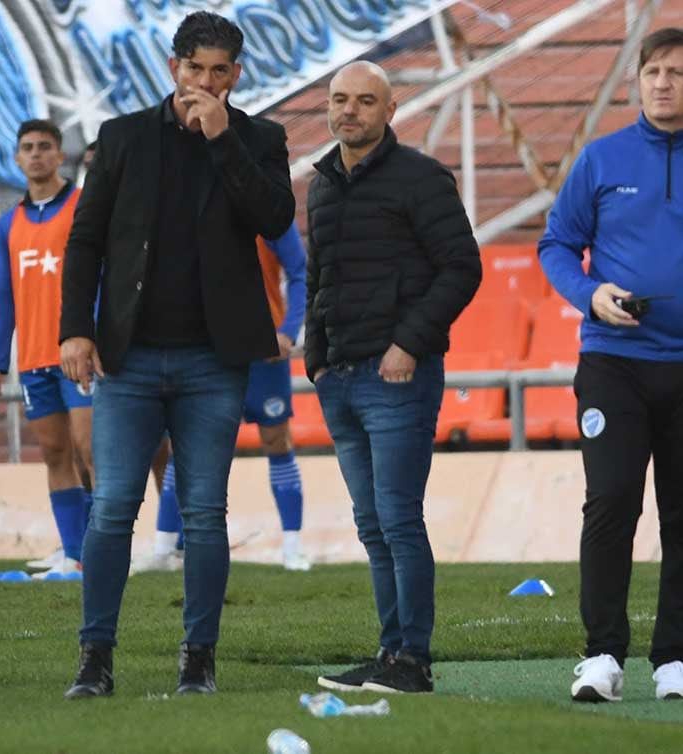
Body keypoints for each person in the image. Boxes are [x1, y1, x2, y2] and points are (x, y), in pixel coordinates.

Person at [59, 11, 294, 698]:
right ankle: (95, 658)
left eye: (221, 72)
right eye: (196, 70)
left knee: (203, 512)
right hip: (128, 359)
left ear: (237, 76)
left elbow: (275, 220)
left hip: (213, 361)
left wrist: (224, 145)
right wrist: (77, 328)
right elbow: (85, 241)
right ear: (174, 69)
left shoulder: (259, 138)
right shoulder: (124, 138)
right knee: (111, 508)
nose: (207, 83)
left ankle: (199, 658)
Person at [306, 61, 480, 695]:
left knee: (399, 519)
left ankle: (414, 661)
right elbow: (317, 278)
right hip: (341, 381)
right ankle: (390, 652)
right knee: (372, 523)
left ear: (390, 110)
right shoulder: (322, 184)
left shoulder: (422, 179)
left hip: (397, 377)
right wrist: (315, 358)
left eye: (364, 101)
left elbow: (462, 268)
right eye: (340, 100)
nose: (349, 111)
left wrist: (408, 343)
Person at [539, 27, 683, 703]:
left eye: (677, 72)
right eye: (654, 70)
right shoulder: (601, 159)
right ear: (637, 80)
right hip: (614, 362)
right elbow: (557, 246)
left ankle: (675, 660)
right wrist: (590, 294)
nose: (664, 83)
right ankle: (602, 656)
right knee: (613, 503)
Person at [136, 222, 310, 574]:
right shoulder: (194, 204)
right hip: (207, 349)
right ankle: (164, 547)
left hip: (264, 349)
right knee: (186, 444)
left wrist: (288, 330)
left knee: (276, 438)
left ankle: (292, 547)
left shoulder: (267, 209)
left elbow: (299, 271)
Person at [0, 119, 93, 580]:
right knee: (55, 454)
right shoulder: (9, 223)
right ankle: (74, 552)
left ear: (59, 155)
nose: (36, 155)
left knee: (92, 451)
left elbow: (102, 279)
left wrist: (97, 338)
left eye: (45, 147)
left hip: (79, 355)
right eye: (27, 147)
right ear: (16, 157)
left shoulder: (83, 208)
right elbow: (3, 297)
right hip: (33, 358)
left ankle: (106, 552)